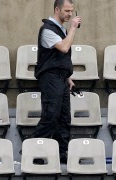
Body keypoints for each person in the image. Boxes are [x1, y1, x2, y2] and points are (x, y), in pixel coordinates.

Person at [32, 0, 82, 164]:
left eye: (71, 11)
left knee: (64, 117)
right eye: (67, 11)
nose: (69, 14)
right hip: (50, 78)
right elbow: (64, 48)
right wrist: (73, 28)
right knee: (50, 115)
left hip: (61, 78)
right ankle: (35, 154)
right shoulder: (47, 29)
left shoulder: (61, 29)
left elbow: (60, 57)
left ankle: (62, 153)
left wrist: (68, 77)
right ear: (57, 9)